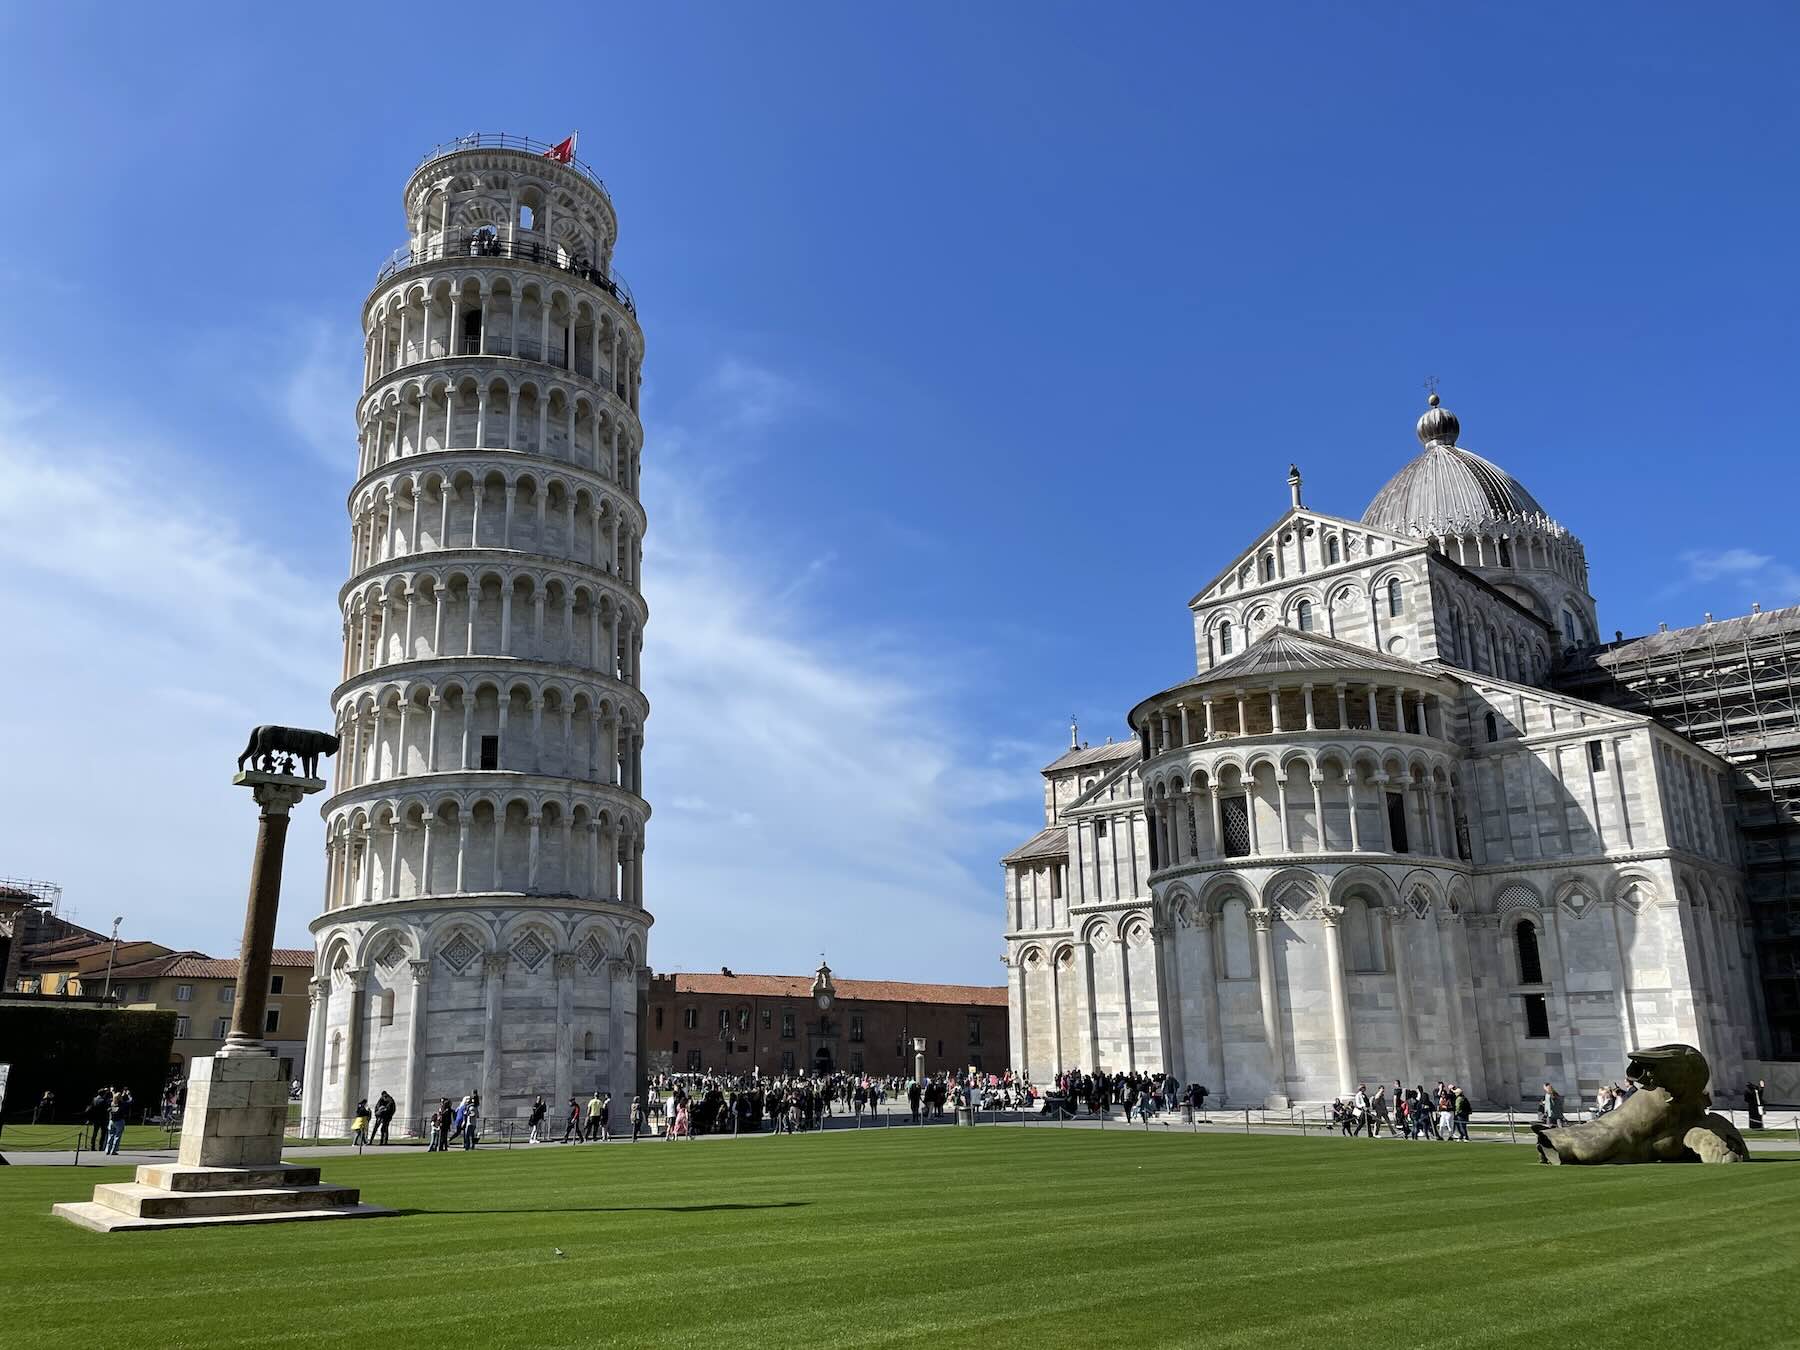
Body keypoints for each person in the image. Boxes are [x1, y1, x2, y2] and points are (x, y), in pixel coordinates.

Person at [104, 1086, 132, 1155]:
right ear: (120, 1098)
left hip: (111, 1121)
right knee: (117, 1136)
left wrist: (112, 1092)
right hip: (119, 1121)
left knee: (110, 1136)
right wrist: (128, 1095)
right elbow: (131, 1101)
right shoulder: (122, 1104)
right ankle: (113, 1150)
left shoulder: (111, 1103)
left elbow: (115, 1097)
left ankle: (107, 1150)